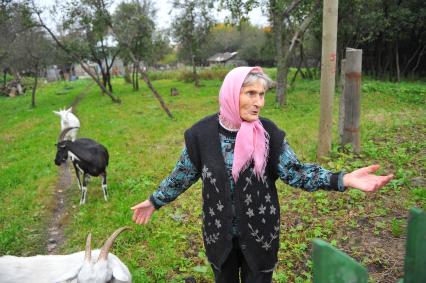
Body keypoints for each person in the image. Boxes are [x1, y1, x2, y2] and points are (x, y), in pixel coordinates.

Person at [131, 66, 393, 283]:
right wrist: (155, 200)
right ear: (232, 93)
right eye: (250, 93)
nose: (258, 102)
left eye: (262, 94)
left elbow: (296, 172)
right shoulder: (201, 135)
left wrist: (342, 179)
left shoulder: (268, 134)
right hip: (218, 234)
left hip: (260, 234)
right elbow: (183, 174)